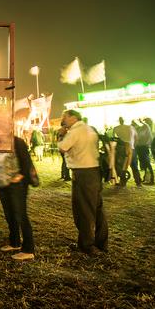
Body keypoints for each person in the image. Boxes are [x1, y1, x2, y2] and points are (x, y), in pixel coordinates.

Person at [57, 109, 108, 256]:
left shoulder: (75, 131)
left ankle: (87, 245)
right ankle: (101, 243)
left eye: (64, 116)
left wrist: (61, 134)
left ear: (73, 118)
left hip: (83, 174)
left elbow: (62, 147)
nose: (62, 119)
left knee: (84, 211)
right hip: (94, 171)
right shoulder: (88, 128)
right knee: (97, 209)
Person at [0, 136, 37, 261]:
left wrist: (21, 175)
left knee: (20, 215)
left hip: (17, 184)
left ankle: (28, 249)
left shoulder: (17, 141)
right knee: (9, 214)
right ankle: (15, 242)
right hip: (2, 184)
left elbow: (26, 161)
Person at [113, 117, 141, 187]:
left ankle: (123, 182)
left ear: (119, 121)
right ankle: (138, 181)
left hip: (121, 150)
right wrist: (133, 146)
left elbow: (114, 139)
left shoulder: (116, 128)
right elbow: (137, 138)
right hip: (131, 148)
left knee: (123, 167)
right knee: (134, 166)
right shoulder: (131, 127)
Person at [135, 118, 155, 185]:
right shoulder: (142, 128)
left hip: (144, 147)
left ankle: (151, 180)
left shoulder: (146, 127)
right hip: (140, 147)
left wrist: (141, 121)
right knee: (145, 164)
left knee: (147, 163)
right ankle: (146, 178)